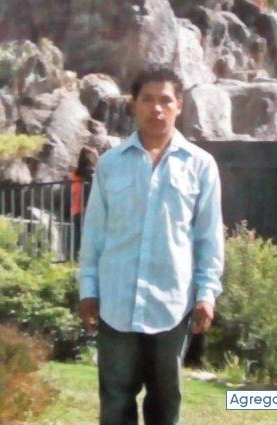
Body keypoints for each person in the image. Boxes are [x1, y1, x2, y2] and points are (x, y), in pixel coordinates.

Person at [78, 66, 224, 425]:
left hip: (171, 305)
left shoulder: (201, 166)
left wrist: (206, 294)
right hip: (116, 302)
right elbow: (94, 234)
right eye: (147, 100)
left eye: (165, 100)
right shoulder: (110, 164)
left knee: (165, 404)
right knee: (115, 402)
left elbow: (208, 237)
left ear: (179, 106)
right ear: (134, 104)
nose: (156, 109)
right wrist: (88, 291)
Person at [70, 146, 99, 261]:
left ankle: (75, 258)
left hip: (77, 209)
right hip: (87, 208)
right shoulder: (91, 173)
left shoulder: (76, 173)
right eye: (94, 155)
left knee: (79, 236)